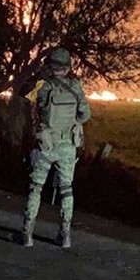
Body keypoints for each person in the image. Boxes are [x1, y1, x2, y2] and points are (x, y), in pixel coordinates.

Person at [20, 47, 91, 248]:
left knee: (35, 188)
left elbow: (23, 96)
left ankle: (27, 235)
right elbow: (85, 115)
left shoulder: (41, 86)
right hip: (68, 145)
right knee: (67, 189)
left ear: (50, 66)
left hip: (46, 144)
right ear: (68, 67)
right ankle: (65, 236)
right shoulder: (76, 87)